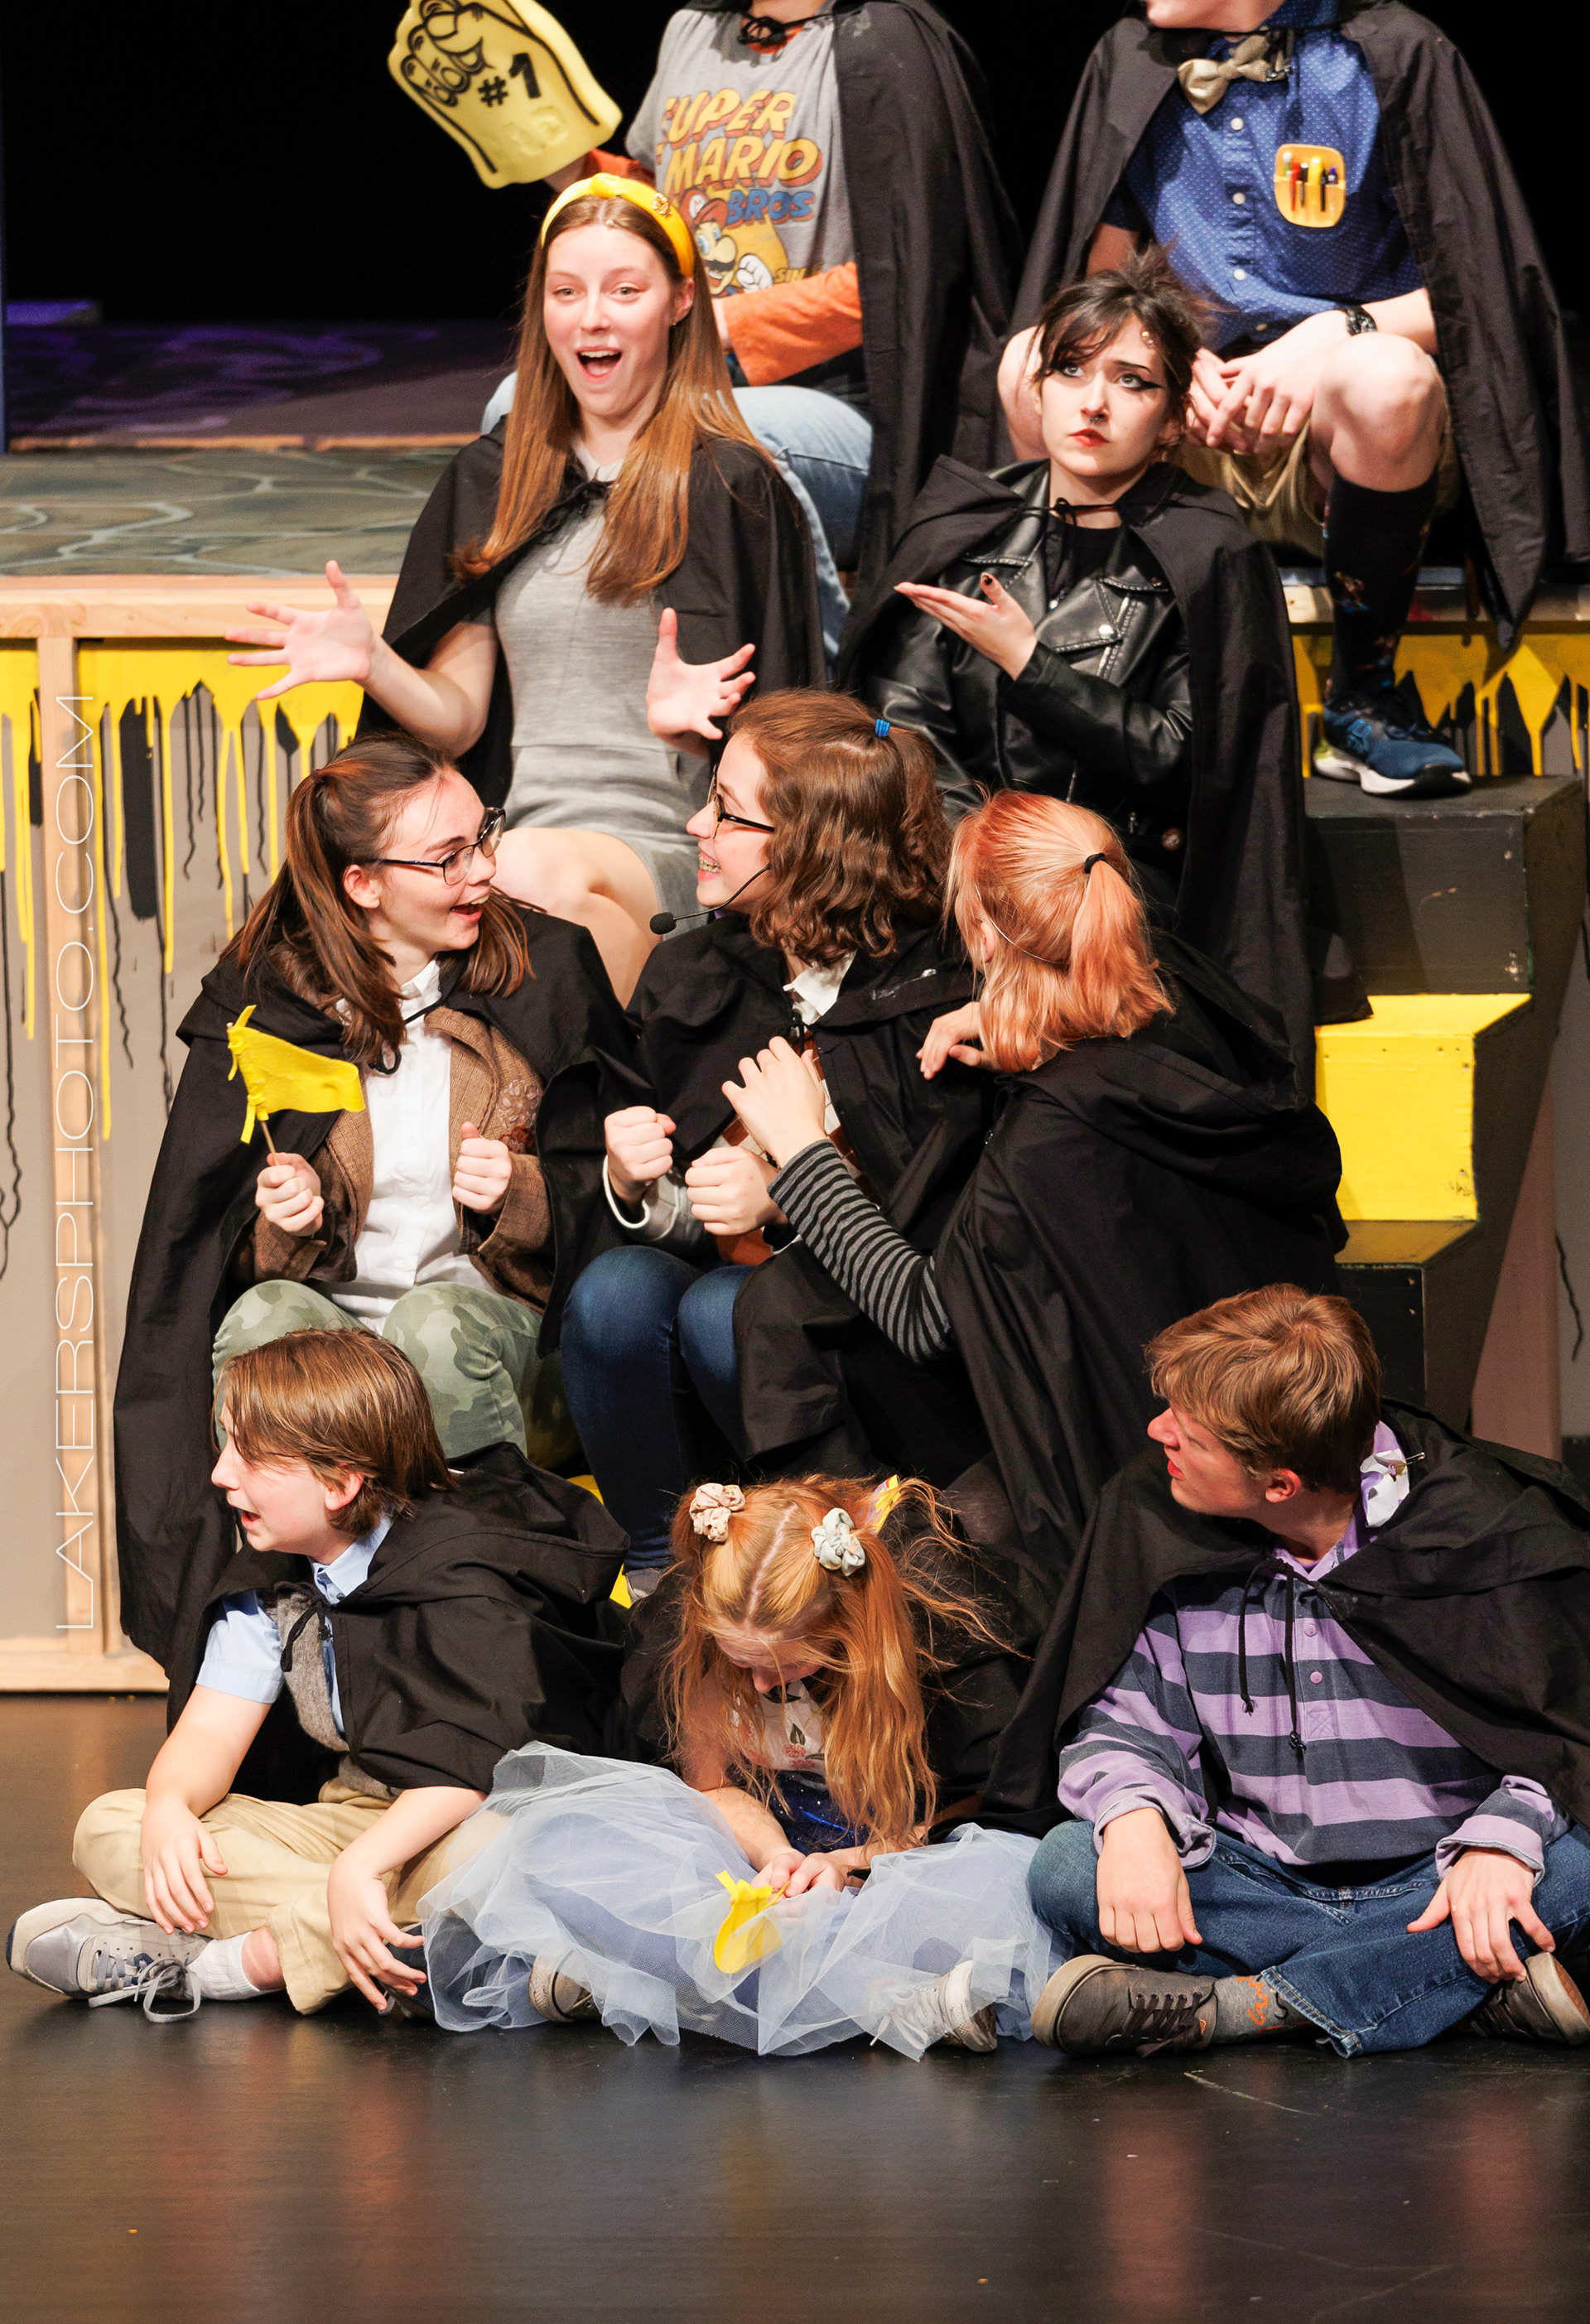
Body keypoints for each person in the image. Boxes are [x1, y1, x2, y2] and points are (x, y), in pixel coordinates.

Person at [113, 730, 641, 1708]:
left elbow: (621, 1193)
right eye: (448, 858)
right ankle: (289, 1647)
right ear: (362, 883)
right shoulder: (273, 998)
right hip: (345, 1341)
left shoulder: (544, 967)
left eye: (482, 837)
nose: (483, 870)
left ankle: (473, 1644)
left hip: (511, 1341)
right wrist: (286, 1221)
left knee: (436, 1326)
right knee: (265, 1322)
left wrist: (523, 1192)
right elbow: (203, 1242)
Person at [724, 791, 1342, 1603]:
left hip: (1144, 1478)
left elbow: (927, 1316)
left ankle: (838, 1595)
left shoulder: (1050, 1138)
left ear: (983, 936)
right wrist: (1027, 1016)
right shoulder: (1196, 1001)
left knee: (794, 1319)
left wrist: (804, 1153)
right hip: (1277, 1418)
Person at [226, 177, 823, 986]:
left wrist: (701, 733)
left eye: (625, 291)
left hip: (669, 844)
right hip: (507, 839)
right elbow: (459, 719)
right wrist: (376, 664)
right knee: (334, 921)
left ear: (681, 302)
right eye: (566, 292)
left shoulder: (728, 485)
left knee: (520, 880)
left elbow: (791, 735)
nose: (592, 317)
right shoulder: (496, 479)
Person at [1002, 0, 1590, 800]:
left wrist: (1338, 332)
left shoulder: (1391, 55)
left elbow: (1478, 289)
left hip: (1345, 448)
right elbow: (1095, 282)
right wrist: (1170, 352)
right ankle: (1090, 681)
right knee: (1032, 363)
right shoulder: (1133, 57)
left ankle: (1363, 699)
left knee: (1385, 376)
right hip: (1190, 429)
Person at [1004, 1285, 1590, 2059]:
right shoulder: (1160, 1523)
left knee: (1577, 1868)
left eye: (1190, 1433)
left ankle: (1249, 2007)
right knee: (1067, 1865)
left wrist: (1501, 1843)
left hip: (1443, 1880)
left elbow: (1565, 1741)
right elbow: (1126, 1723)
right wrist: (1135, 1816)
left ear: (1279, 1485)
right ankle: (1444, 1991)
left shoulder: (1479, 1532)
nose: (1156, 1432)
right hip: (1260, 1882)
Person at [12, 1331, 628, 2021]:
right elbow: (209, 1736)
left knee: (504, 1859)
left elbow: (467, 1769)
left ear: (340, 1483)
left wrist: (361, 1869)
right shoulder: (275, 1579)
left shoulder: (465, 1572)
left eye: (251, 1456)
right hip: (353, 1815)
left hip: (473, 1817)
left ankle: (223, 1966)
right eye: (226, 1444)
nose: (221, 1474)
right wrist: (168, 1808)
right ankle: (433, 1945)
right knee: (112, 1827)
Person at [560, 690, 995, 1589]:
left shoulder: (938, 996)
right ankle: (661, 1573)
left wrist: (785, 1195)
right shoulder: (695, 968)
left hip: (875, 1350)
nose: (697, 826)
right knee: (615, 1293)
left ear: (807, 845)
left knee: (731, 1307)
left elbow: (935, 1246)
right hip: (722, 1297)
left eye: (726, 810)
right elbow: (673, 1204)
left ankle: (807, 1567)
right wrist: (632, 1185)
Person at [847, 249, 1312, 1068]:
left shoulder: (1210, 553)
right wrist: (981, 868)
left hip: (1120, 899)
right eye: (1071, 370)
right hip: (958, 885)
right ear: (1037, 389)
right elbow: (901, 724)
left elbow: (1186, 762)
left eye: (1133, 381)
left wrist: (1032, 665)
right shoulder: (969, 520)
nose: (1094, 402)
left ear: (1174, 419)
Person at [419, 1471, 1053, 2056]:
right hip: (760, 1858)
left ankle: (651, 1983)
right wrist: (776, 1858)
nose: (761, 1684)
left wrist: (849, 1865)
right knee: (562, 1844)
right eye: (742, 1663)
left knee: (999, 1880)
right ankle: (886, 1999)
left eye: (789, 1663)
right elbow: (712, 1787)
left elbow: (976, 1805)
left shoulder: (940, 1635)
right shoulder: (691, 1635)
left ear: (848, 1626)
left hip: (900, 1854)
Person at [483, 0, 1020, 668]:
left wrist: (726, 322)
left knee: (722, 440)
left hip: (844, 413)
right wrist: (562, 158)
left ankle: (828, 702)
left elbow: (911, 270)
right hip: (685, 381)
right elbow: (656, 204)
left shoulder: (885, 40)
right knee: (514, 409)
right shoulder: (690, 30)